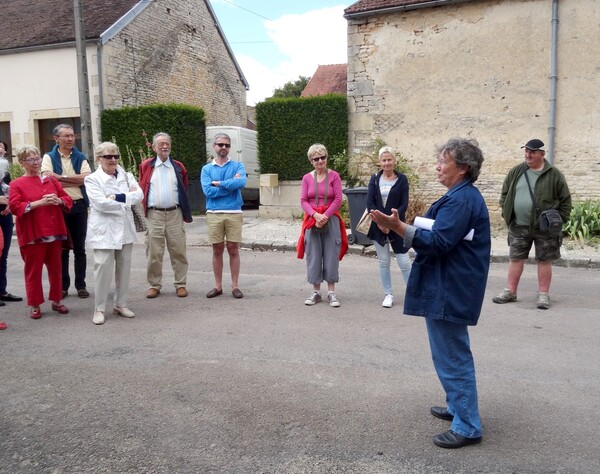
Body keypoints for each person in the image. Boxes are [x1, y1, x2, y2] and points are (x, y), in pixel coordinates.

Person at [371, 138, 491, 449]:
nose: (438, 165)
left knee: (452, 355)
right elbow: (442, 234)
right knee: (447, 353)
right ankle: (457, 408)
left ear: (462, 168)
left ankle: (468, 426)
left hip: (450, 288)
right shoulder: (459, 195)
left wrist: (399, 227)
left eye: (444, 161)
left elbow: (439, 242)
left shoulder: (463, 200)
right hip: (447, 284)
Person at [492, 139, 572, 310]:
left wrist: (559, 220)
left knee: (544, 260)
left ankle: (543, 294)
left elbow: (565, 200)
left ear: (541, 154)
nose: (528, 155)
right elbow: (505, 193)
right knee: (515, 257)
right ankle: (510, 291)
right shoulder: (517, 171)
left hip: (545, 227)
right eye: (527, 151)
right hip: (518, 225)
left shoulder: (554, 175)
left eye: (533, 152)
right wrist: (506, 212)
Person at [9, 146, 73, 319]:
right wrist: (39, 203)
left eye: (38, 158)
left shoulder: (51, 180)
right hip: (32, 234)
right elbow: (15, 207)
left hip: (54, 231)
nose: (36, 162)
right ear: (22, 163)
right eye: (31, 159)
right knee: (33, 270)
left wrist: (58, 200)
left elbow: (67, 199)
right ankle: (35, 304)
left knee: (56, 269)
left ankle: (57, 301)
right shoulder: (16, 184)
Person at [85, 142, 144, 325]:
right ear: (98, 158)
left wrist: (116, 197)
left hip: (124, 228)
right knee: (103, 268)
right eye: (108, 156)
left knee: (124, 268)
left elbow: (139, 195)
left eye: (116, 156)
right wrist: (126, 197)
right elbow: (100, 204)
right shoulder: (92, 179)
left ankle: (120, 304)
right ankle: (99, 308)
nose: (113, 160)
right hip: (104, 230)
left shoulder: (127, 176)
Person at [139, 132, 192, 298]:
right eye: (161, 144)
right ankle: (154, 285)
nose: (164, 146)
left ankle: (181, 284)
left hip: (174, 213)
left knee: (178, 251)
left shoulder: (178, 166)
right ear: (154, 147)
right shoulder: (146, 166)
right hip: (154, 214)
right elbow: (142, 187)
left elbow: (183, 188)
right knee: (154, 252)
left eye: (167, 143)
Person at [41, 124, 91, 299]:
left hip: (78, 206)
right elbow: (47, 180)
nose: (71, 139)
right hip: (60, 206)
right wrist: (74, 181)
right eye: (67, 136)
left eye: (72, 135)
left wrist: (60, 178)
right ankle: (63, 286)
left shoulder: (80, 157)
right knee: (61, 248)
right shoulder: (49, 157)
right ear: (57, 139)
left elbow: (87, 179)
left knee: (80, 248)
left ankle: (81, 285)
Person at [297, 143, 348, 307]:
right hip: (312, 221)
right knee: (313, 255)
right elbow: (303, 200)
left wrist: (325, 216)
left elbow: (338, 200)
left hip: (330, 219)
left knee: (331, 254)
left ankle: (331, 292)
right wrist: (315, 215)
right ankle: (316, 292)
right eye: (316, 158)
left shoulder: (334, 176)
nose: (320, 161)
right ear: (311, 161)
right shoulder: (306, 178)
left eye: (322, 157)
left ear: (326, 158)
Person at [201, 133, 247, 299]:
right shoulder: (206, 169)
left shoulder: (237, 166)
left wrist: (220, 183)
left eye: (227, 145)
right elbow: (208, 191)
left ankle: (235, 286)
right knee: (217, 249)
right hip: (214, 213)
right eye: (220, 144)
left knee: (233, 249)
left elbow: (241, 183)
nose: (223, 148)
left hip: (234, 212)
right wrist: (230, 185)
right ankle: (218, 286)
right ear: (214, 146)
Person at [366, 146, 411, 308]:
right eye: (384, 160)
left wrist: (391, 223)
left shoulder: (402, 179)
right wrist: (380, 222)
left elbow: (404, 204)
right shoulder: (375, 179)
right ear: (380, 162)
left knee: (404, 261)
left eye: (389, 159)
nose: (387, 163)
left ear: (394, 160)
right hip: (378, 226)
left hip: (398, 226)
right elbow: (370, 202)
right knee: (384, 262)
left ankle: (413, 294)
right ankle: (388, 294)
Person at [0, 141, 23, 306]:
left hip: (4, 215)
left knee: (3, 255)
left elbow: (9, 191)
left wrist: (9, 204)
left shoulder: (4, 171)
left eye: (2, 147)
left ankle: (2, 290)